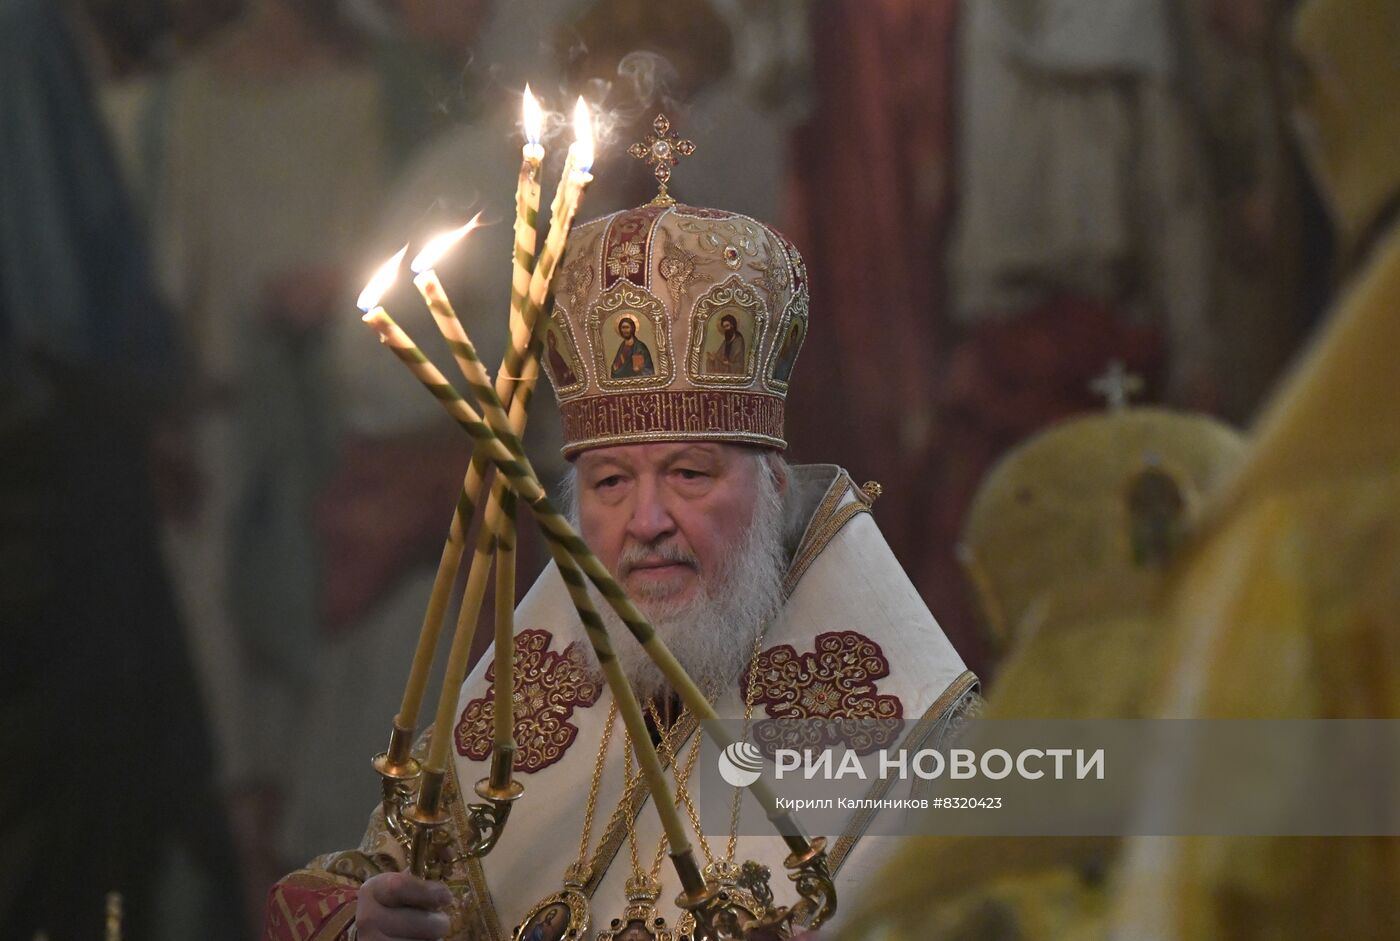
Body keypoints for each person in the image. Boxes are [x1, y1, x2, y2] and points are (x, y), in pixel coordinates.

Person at [267, 171, 975, 940]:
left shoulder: (930, 734)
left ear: (772, 483)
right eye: (609, 481)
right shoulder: (518, 708)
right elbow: (349, 886)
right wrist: (361, 928)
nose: (646, 520)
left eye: (689, 473)